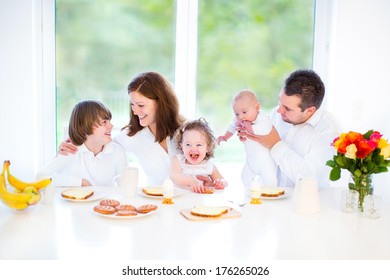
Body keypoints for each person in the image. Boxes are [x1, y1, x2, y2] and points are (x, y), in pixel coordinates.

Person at [58, 72, 212, 187]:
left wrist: (208, 179)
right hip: (158, 206)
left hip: (193, 200)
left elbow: (207, 164)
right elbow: (97, 140)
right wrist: (72, 142)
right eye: (132, 105)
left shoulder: (187, 131)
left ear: (161, 102)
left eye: (141, 105)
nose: (135, 111)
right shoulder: (131, 136)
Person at [238, 69, 340, 188]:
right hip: (267, 196)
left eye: (287, 108)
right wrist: (251, 138)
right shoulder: (277, 115)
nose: (279, 110)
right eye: (279, 102)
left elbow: (309, 178)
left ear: (310, 110)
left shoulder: (329, 131)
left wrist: (275, 144)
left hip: (303, 202)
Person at [37, 100, 128, 186]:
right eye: (104, 122)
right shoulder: (71, 150)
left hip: (105, 202)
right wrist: (79, 182)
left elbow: (125, 187)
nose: (111, 125)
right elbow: (40, 177)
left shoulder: (117, 151)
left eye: (109, 121)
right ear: (85, 126)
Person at [217, 89, 278, 189]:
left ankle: (271, 193)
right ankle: (251, 194)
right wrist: (225, 136)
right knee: (245, 178)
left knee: (269, 181)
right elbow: (233, 125)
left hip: (265, 161)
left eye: (244, 112)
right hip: (251, 160)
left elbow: (265, 129)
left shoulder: (262, 118)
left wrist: (249, 127)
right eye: (236, 114)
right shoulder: (241, 119)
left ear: (257, 107)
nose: (240, 116)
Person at [171, 118, 228, 193]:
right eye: (188, 144)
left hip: (201, 201)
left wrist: (221, 183)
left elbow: (223, 180)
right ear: (182, 146)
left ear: (207, 147)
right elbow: (174, 176)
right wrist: (191, 182)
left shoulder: (209, 165)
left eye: (199, 145)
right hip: (181, 199)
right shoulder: (178, 160)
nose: (193, 149)